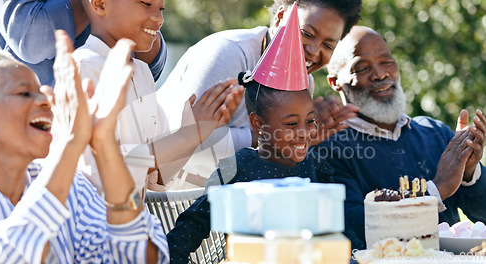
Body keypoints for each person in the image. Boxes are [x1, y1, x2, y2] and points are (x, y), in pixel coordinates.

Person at [166, 8, 337, 261]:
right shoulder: (238, 168)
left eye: (310, 121)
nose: (304, 133)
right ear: (258, 125)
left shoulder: (317, 167)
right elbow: (192, 226)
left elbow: (337, 227)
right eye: (291, 124)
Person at [0, 30, 168, 263]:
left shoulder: (73, 186)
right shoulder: (62, 173)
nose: (45, 100)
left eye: (42, 90)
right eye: (23, 93)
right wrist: (69, 146)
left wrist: (105, 146)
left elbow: (143, 258)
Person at [157, 0, 363, 188]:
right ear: (280, 17)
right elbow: (189, 144)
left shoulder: (304, 82)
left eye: (328, 45)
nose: (313, 50)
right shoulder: (229, 53)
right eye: (307, 33)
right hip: (167, 199)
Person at [317, 25, 486, 250]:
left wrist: (469, 173)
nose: (380, 74)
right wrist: (436, 190)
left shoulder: (435, 132)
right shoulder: (329, 149)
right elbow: (354, 228)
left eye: (387, 62)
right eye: (362, 68)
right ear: (335, 82)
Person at [74, 0, 244, 193]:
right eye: (146, 4)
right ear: (100, 3)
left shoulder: (142, 72)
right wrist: (184, 137)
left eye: (161, 9)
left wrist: (194, 135)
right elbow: (101, 171)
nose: (159, 18)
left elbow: (155, 177)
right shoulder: (84, 68)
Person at [0, 0, 167, 86]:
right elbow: (32, 38)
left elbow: (150, 67)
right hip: (19, 134)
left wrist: (144, 15)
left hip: (106, 125)